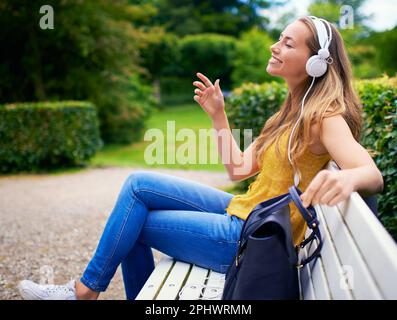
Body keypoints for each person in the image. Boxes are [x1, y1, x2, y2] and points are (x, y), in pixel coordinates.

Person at [18, 16, 383, 300]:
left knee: (133, 226)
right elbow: (239, 167)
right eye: (278, 39)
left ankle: (84, 290)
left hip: (250, 238)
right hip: (246, 212)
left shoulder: (324, 116)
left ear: (317, 62)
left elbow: (370, 172)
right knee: (137, 186)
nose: (274, 47)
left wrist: (347, 178)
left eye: (287, 44)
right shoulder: (290, 111)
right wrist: (217, 115)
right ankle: (86, 289)